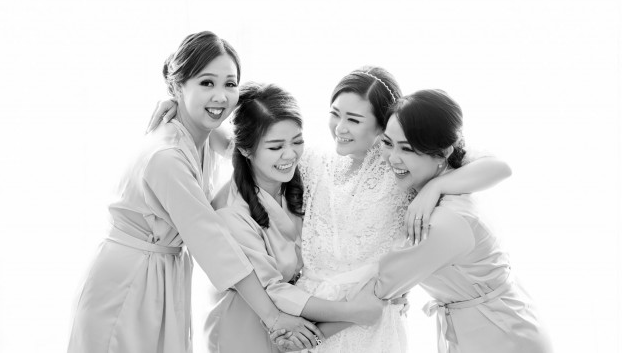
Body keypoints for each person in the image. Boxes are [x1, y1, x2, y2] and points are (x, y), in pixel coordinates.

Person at [148, 67, 512, 352]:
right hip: (312, 314)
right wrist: (184, 111)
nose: (340, 128)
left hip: (367, 321)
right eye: (335, 114)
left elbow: (497, 166)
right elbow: (249, 144)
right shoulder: (314, 162)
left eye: (354, 120)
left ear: (382, 125)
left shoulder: (400, 169)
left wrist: (435, 187)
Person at [67, 32, 322, 353]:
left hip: (160, 273)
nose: (220, 96)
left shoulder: (202, 134)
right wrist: (273, 317)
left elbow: (247, 147)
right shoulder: (168, 157)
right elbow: (212, 242)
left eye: (230, 84)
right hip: (128, 281)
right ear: (178, 85)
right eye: (206, 83)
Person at [204, 82, 386, 353]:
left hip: (294, 318)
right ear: (245, 150)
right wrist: (353, 311)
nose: (290, 154)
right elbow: (271, 288)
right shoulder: (230, 212)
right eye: (276, 147)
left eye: (297, 141)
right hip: (243, 324)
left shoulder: (299, 174)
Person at [375, 89, 553, 353]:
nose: (392, 157)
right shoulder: (458, 173)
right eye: (387, 143)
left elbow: (383, 285)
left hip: (500, 337)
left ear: (443, 152)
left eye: (407, 149)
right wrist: (433, 186)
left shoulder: (444, 220)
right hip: (495, 324)